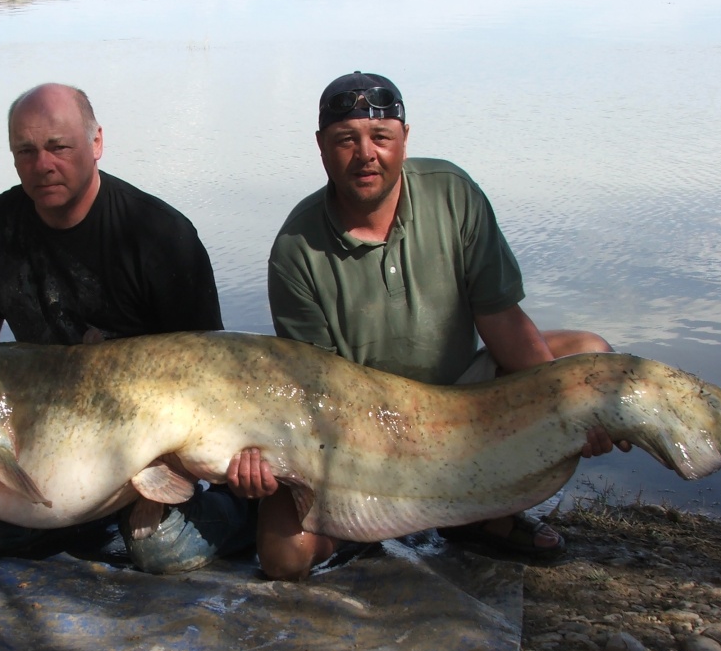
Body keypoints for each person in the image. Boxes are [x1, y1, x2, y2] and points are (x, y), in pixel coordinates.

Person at [233, 71, 630, 581]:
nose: (365, 154)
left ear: (403, 138)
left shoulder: (452, 194)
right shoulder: (295, 248)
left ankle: (483, 515)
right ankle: (379, 518)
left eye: (380, 138)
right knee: (283, 559)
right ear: (321, 147)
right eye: (345, 141)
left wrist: (568, 408)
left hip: (464, 402)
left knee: (590, 358)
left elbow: (503, 323)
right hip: (360, 424)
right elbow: (314, 392)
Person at [0, 82, 256, 574]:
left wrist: (160, 477)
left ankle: (246, 512)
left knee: (160, 551)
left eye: (59, 147)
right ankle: (86, 515)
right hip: (60, 441)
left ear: (96, 144)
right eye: (26, 151)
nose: (43, 164)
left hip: (157, 448)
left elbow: (212, 379)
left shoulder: (161, 235)